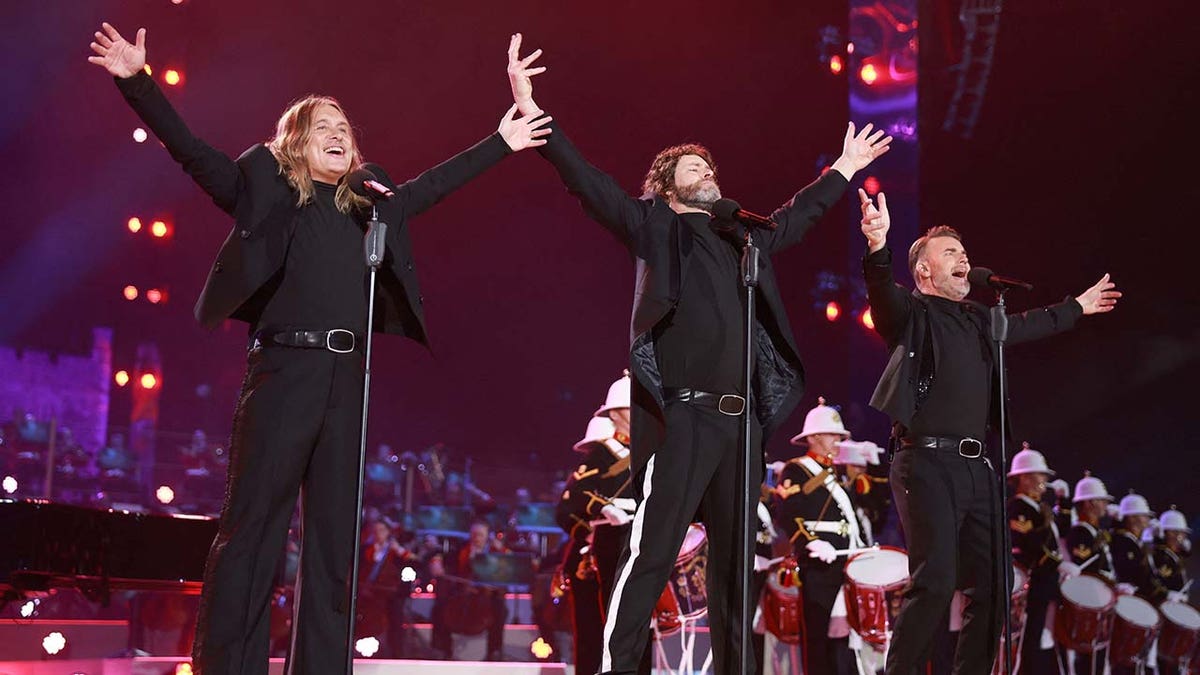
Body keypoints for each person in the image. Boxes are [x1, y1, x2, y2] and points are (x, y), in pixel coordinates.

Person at [88, 21, 551, 675]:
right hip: (283, 370)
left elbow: (427, 188)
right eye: (324, 126)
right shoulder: (266, 193)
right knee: (254, 531)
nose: (339, 134)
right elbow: (192, 152)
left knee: (336, 543)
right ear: (296, 145)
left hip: (347, 379)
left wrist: (502, 139)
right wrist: (138, 82)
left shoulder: (370, 203)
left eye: (345, 127)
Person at [507, 33, 891, 674]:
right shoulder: (655, 227)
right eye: (693, 170)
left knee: (737, 572)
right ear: (665, 188)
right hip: (684, 418)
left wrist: (844, 171)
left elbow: (794, 220)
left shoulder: (744, 239)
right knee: (653, 551)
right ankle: (619, 667)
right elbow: (588, 184)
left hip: (741, 426)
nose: (707, 174)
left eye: (709, 168)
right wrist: (534, 114)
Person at [856, 187, 1121, 674]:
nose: (964, 258)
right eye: (950, 252)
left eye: (964, 252)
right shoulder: (913, 314)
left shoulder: (983, 319)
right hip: (925, 460)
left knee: (997, 588)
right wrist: (877, 247)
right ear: (925, 271)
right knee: (934, 582)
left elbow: (1027, 324)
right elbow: (883, 299)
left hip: (978, 467)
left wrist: (1076, 307)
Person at [773, 398, 865, 675]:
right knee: (817, 637)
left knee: (846, 637)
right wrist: (810, 541)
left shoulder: (837, 472)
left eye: (840, 435)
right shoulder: (796, 470)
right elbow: (786, 513)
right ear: (813, 437)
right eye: (832, 434)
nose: (838, 439)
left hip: (845, 560)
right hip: (818, 564)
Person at [1006, 442, 1073, 674]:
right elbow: (1027, 544)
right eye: (1040, 476)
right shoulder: (1018, 508)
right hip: (1032, 584)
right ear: (1024, 479)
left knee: (1044, 640)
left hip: (1047, 583)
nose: (1044, 483)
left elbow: (1063, 530)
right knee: (1028, 639)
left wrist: (1063, 502)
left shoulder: (1039, 508)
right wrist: (1058, 562)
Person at [430, 520, 510, 660]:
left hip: (487, 595)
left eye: (480, 535)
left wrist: (502, 550)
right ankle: (442, 649)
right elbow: (440, 556)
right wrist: (436, 562)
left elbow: (511, 564)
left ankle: (494, 651)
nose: (477, 538)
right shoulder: (462, 549)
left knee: (500, 610)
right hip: (462, 592)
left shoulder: (495, 552)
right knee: (439, 608)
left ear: (487, 536)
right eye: (474, 535)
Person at [1064, 473, 1117, 675]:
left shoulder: (1095, 532)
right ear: (1088, 504)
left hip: (1100, 601)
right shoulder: (1080, 532)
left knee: (1098, 660)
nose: (1105, 505)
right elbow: (1085, 569)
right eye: (1101, 501)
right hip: (1088, 604)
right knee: (1087, 660)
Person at [356, 518, 417, 658]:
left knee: (395, 616)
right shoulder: (366, 550)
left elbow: (415, 563)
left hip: (390, 594)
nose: (378, 534)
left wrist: (400, 551)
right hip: (369, 593)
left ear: (388, 532)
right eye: (375, 531)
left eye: (382, 530)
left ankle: (396, 653)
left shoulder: (395, 552)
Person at [1110, 492, 1169, 603]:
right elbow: (1133, 573)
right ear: (1132, 518)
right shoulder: (1124, 541)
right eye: (1144, 515)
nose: (1148, 519)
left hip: (1140, 598)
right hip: (1129, 598)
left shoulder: (1136, 543)